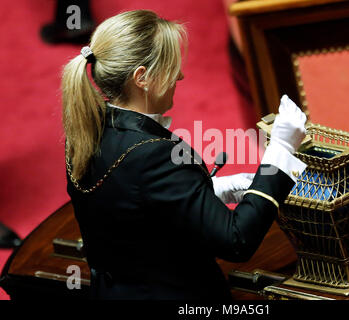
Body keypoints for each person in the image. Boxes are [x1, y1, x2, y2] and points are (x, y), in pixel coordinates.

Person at [62, 10, 307, 300]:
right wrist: (280, 150)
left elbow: (129, 202)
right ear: (142, 78)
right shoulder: (156, 154)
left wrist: (211, 191)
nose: (180, 75)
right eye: (171, 67)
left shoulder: (85, 131)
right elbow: (236, 241)